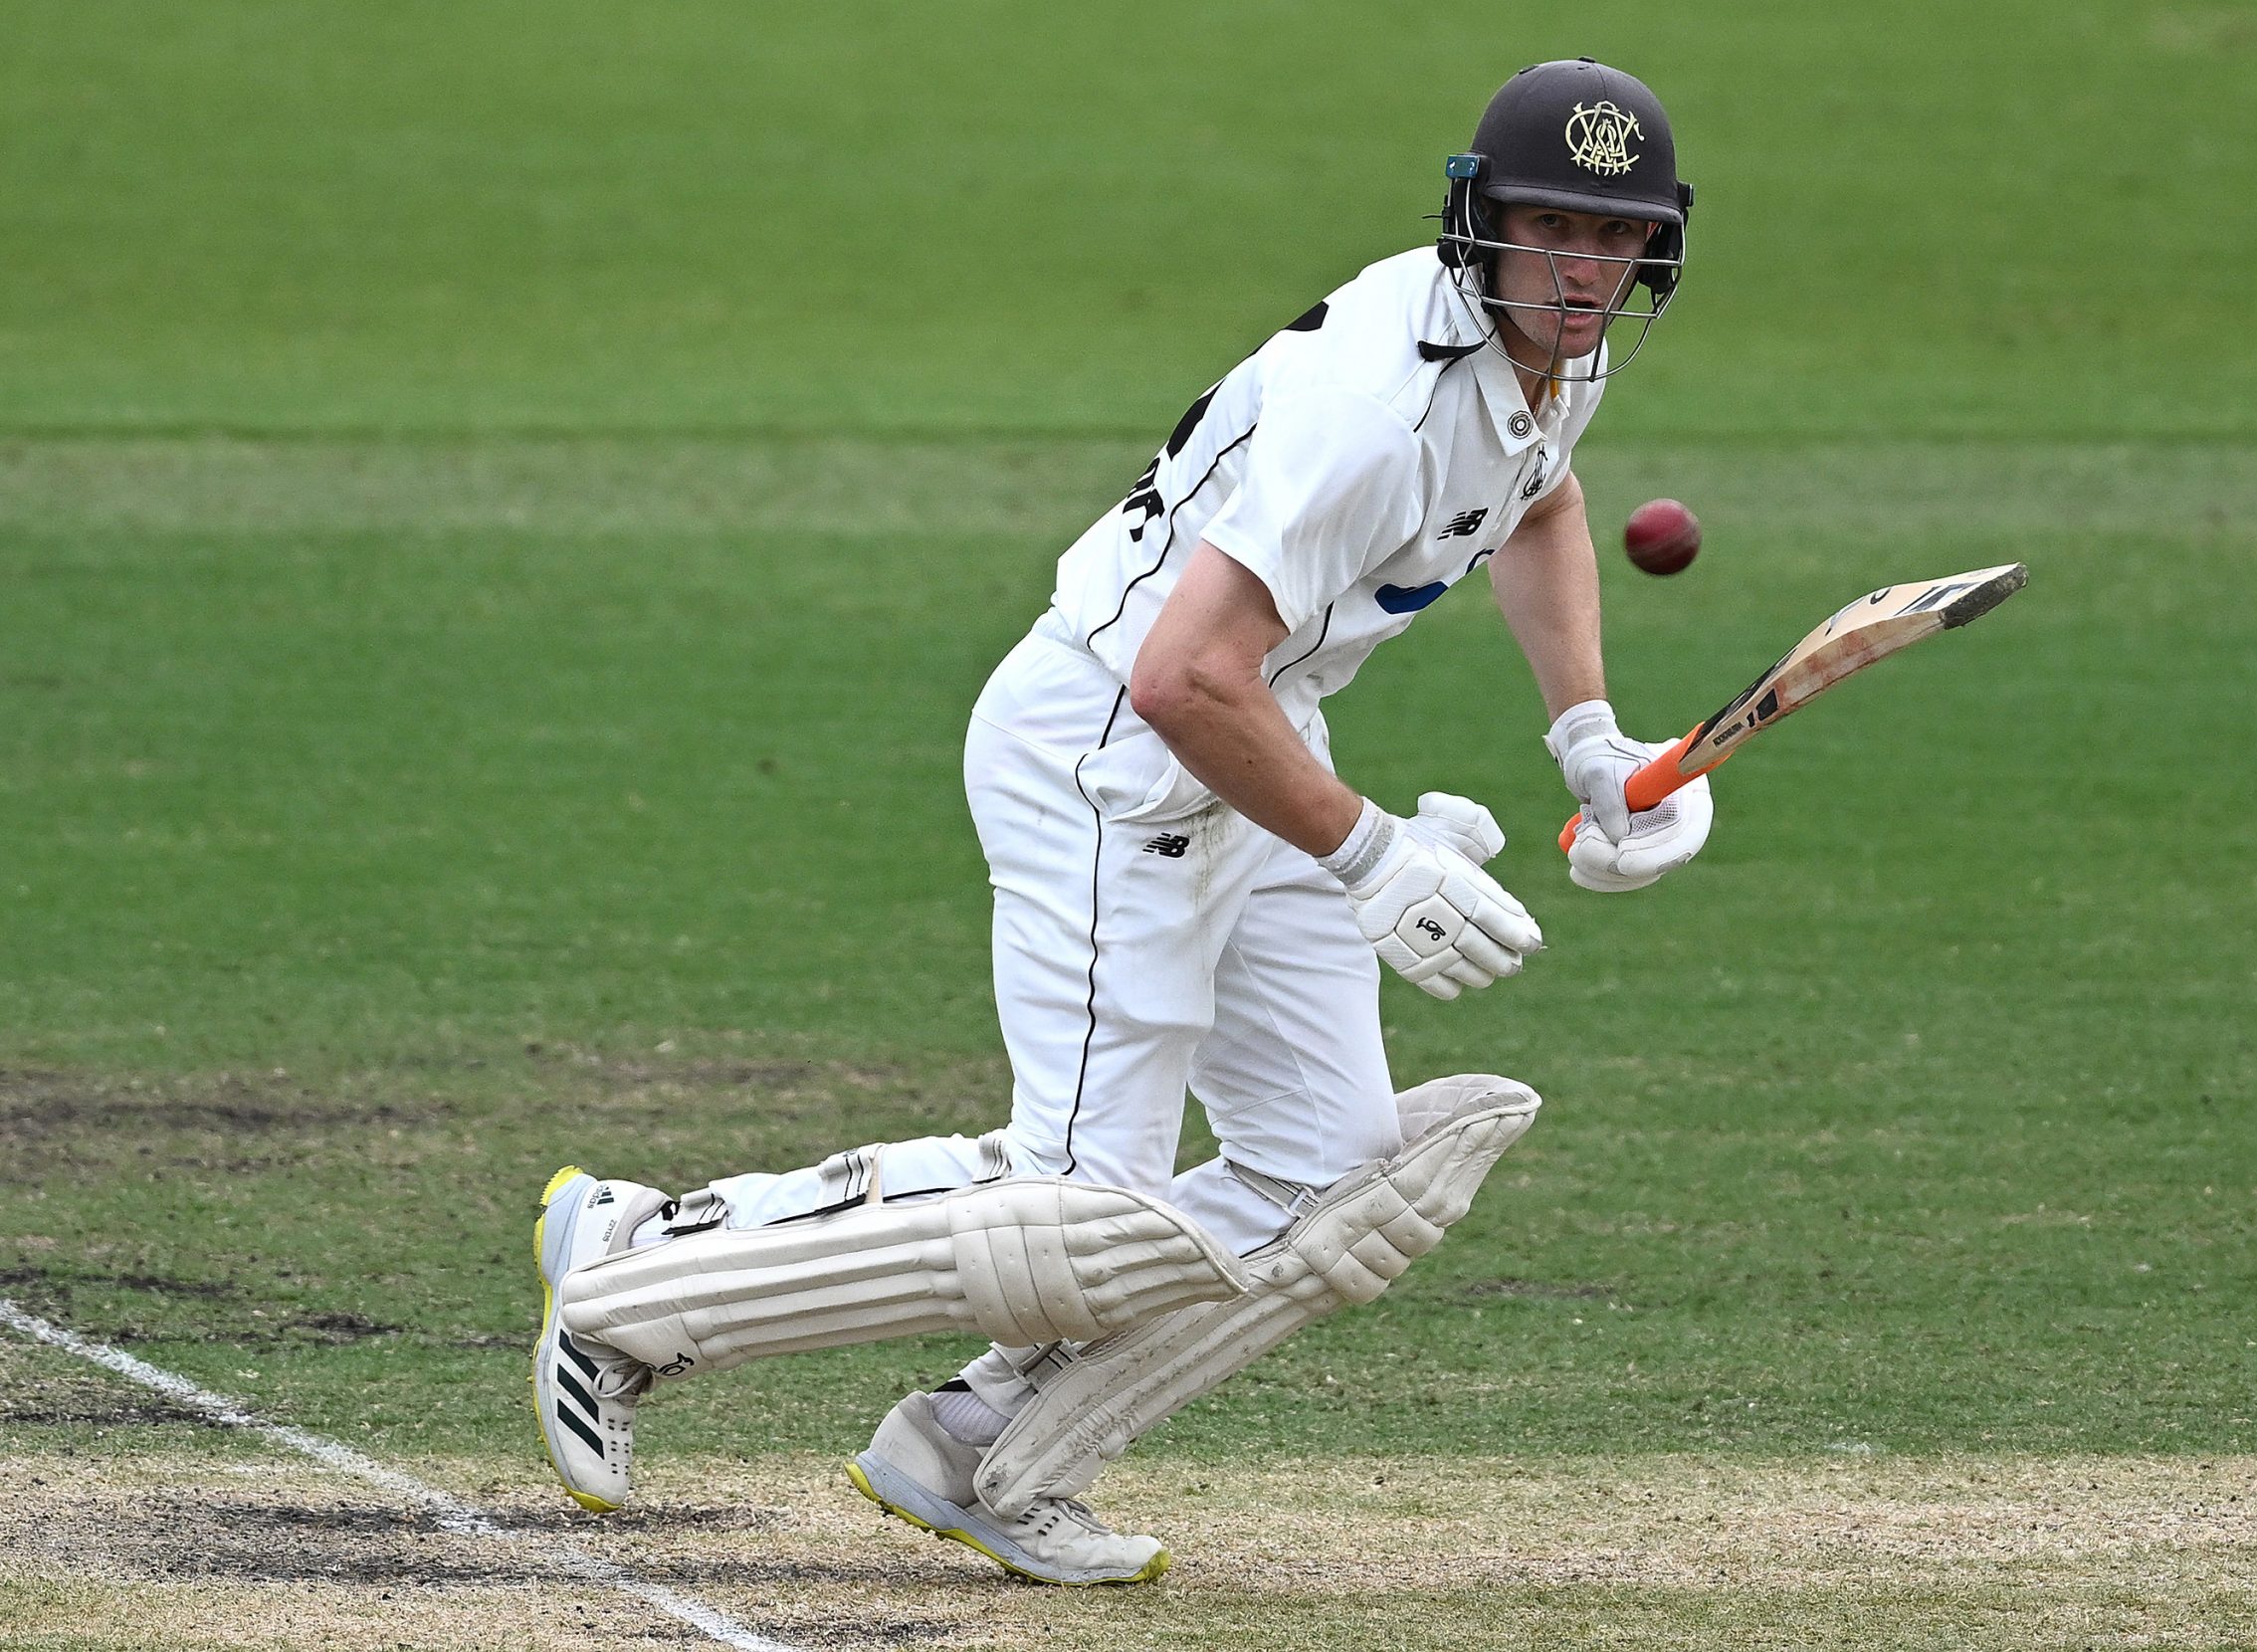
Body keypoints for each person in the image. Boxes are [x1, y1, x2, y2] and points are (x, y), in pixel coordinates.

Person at [527, 57, 1714, 1586]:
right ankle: (641, 1264)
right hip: (1111, 744)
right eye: (1553, 228)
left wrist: (1590, 742)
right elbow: (1179, 678)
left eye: (1617, 239)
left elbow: (1540, 501)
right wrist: (1369, 856)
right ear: (1479, 224)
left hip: (1253, 734)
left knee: (1327, 1181)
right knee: (1080, 1201)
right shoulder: (1376, 402)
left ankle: (979, 1447)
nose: (1583, 269)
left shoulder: (1556, 354)